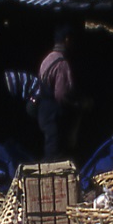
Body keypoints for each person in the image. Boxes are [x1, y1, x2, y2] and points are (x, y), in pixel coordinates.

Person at [35, 22, 85, 162]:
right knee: (54, 156)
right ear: (67, 40)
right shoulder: (61, 63)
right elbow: (61, 95)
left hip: (43, 113)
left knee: (49, 148)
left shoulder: (47, 59)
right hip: (53, 115)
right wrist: (77, 105)